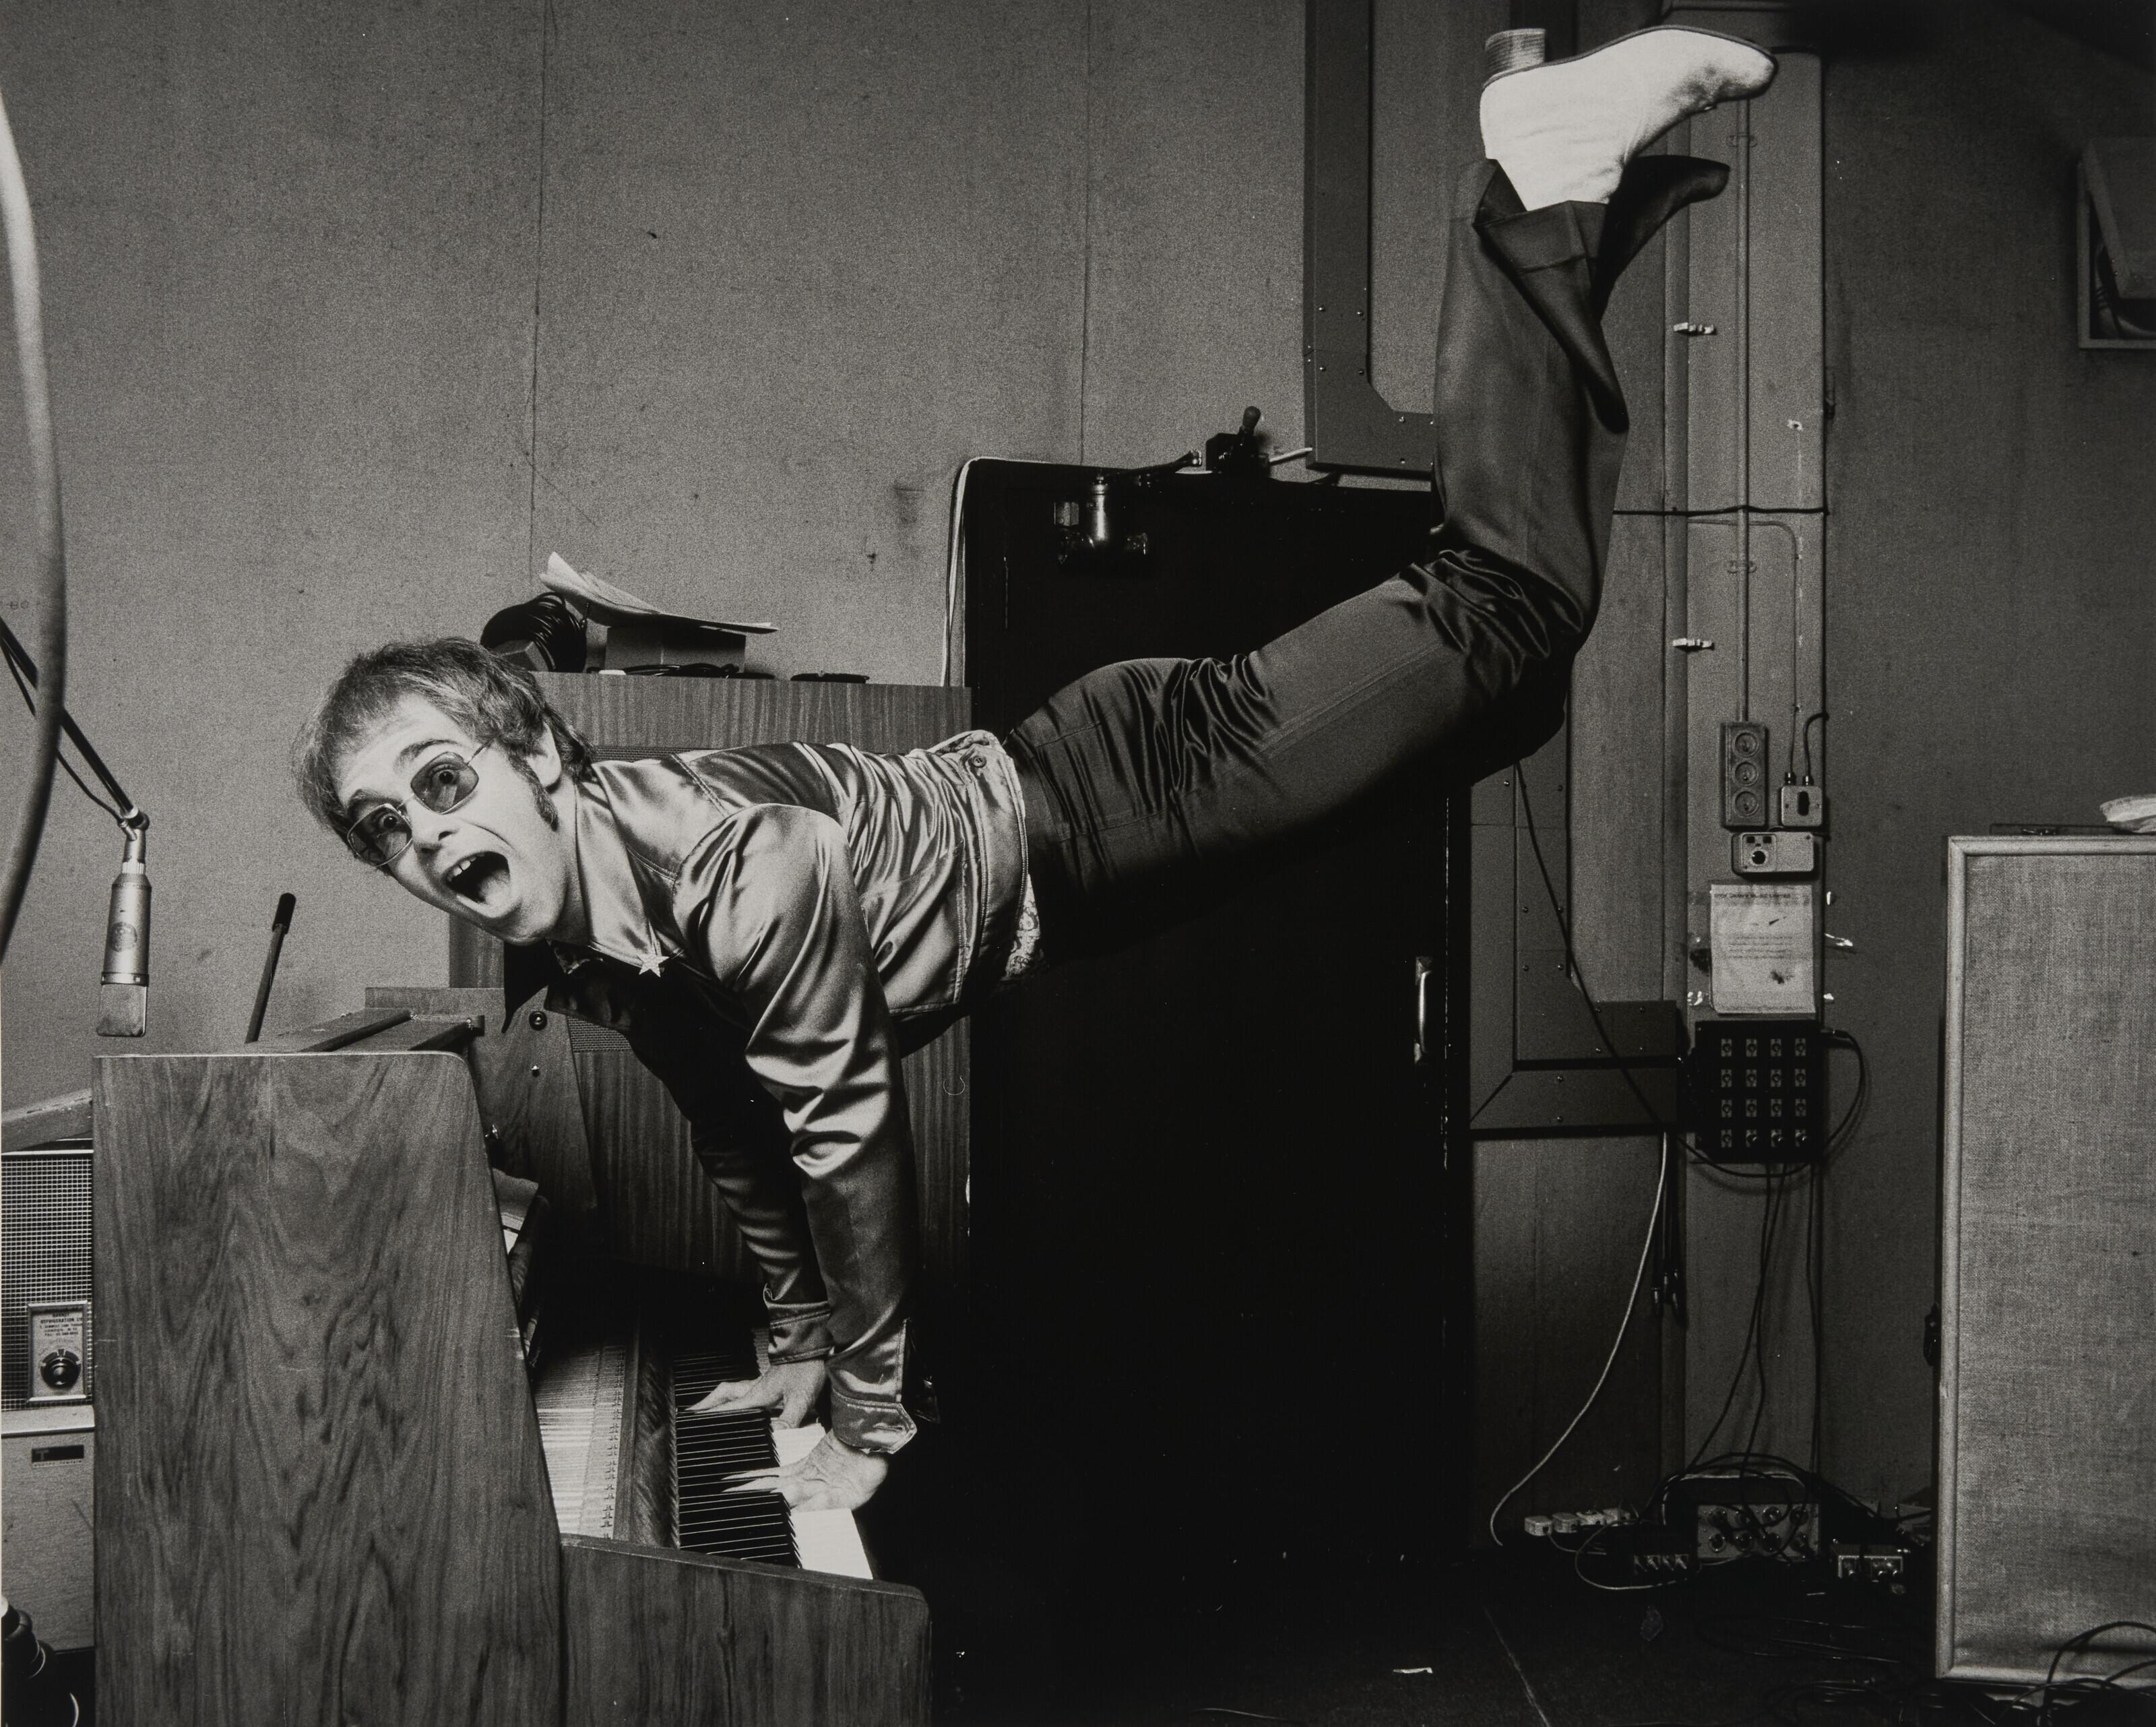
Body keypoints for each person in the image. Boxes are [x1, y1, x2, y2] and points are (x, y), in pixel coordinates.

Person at [292, 26, 1776, 1513]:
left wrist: (871, 1417)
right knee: (1505, 705)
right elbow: (732, 1126)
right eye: (385, 830)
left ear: (540, 755)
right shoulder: (605, 946)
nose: (425, 837)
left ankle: (1531, 181)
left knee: (1508, 610)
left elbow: (845, 1135)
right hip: (1085, 841)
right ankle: (1563, 235)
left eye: (438, 782)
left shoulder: (732, 878)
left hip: (1120, 788)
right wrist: (794, 1337)